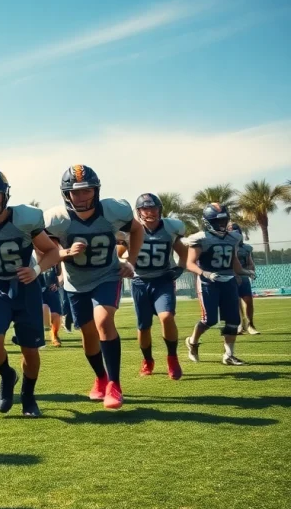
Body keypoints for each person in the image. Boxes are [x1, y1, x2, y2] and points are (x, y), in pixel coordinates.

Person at [0, 168, 62, 417]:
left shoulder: (24, 220)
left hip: (26, 287)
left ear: (4, 196)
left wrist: (37, 270)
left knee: (30, 349)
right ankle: (7, 375)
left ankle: (29, 396)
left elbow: (52, 251)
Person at [45, 165, 142, 410]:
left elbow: (137, 229)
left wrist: (130, 261)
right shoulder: (57, 219)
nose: (81, 197)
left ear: (96, 190)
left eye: (86, 191)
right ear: (66, 194)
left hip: (107, 275)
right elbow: (43, 247)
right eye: (75, 193)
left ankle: (115, 385)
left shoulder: (112, 211)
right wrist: (65, 252)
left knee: (103, 321)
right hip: (76, 283)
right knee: (88, 334)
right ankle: (101, 377)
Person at [184, 204, 253, 366]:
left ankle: (229, 355)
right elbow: (190, 263)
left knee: (233, 320)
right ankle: (192, 342)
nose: (222, 223)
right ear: (208, 221)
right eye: (218, 220)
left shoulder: (233, 237)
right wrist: (206, 273)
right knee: (210, 320)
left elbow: (234, 261)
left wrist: (244, 271)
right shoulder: (201, 238)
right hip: (208, 282)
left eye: (224, 220)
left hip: (228, 281)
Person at [129, 193, 187, 379]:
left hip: (162, 279)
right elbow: (120, 251)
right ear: (139, 211)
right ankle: (147, 360)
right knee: (144, 327)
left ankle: (172, 358)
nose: (150, 212)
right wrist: (123, 261)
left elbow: (183, 252)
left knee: (167, 317)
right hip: (139, 281)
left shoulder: (171, 228)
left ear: (159, 209)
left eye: (153, 208)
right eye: (145, 208)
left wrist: (180, 268)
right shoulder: (131, 229)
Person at [230, 223, 259, 335]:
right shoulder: (227, 246)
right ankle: (240, 324)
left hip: (243, 277)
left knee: (248, 301)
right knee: (235, 302)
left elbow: (250, 263)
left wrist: (249, 272)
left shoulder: (246, 248)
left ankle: (250, 324)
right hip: (230, 277)